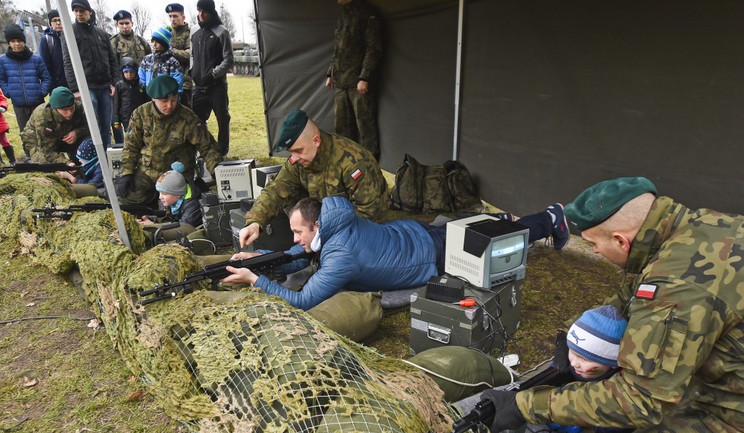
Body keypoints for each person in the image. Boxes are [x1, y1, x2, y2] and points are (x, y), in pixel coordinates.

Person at [483, 177, 744, 433]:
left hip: (729, 422)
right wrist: (574, 334)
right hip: (721, 388)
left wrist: (526, 405)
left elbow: (643, 400)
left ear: (621, 240)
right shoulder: (701, 227)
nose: (593, 252)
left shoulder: (678, 285)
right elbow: (631, 297)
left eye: (593, 244)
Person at [226, 195, 570, 311]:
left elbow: (302, 301)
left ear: (317, 226)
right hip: (412, 233)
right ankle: (503, 218)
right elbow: (301, 253)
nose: (295, 238)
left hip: (429, 256)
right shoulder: (335, 217)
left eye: (299, 231)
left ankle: (550, 219)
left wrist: (256, 280)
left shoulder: (341, 256)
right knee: (472, 227)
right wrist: (259, 259)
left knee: (492, 241)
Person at [238, 109, 389, 248]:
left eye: (298, 151)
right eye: (291, 152)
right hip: (324, 234)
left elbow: (370, 213)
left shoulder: (353, 162)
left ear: (316, 140)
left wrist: (325, 236)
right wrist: (255, 222)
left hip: (369, 237)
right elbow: (277, 190)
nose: (295, 158)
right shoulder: (299, 161)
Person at [118, 75, 222, 207]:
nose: (170, 105)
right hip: (147, 172)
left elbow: (208, 147)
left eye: (174, 99)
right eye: (164, 101)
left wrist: (217, 172)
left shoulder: (188, 118)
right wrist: (126, 172)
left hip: (177, 175)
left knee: (180, 209)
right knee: (127, 200)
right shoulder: (141, 114)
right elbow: (131, 146)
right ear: (153, 99)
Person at [325, 0, 383, 160]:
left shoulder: (367, 14)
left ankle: (370, 166)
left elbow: (373, 48)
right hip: (341, 82)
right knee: (342, 128)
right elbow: (339, 49)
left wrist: (365, 76)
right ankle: (346, 164)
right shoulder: (344, 15)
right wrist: (330, 73)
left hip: (358, 83)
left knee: (365, 128)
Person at [62, 0, 120, 149]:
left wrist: (114, 83)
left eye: (82, 10)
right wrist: (75, 89)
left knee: (106, 126)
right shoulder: (70, 32)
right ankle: (93, 157)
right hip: (87, 88)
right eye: (76, 11)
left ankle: (105, 156)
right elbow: (68, 62)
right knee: (92, 127)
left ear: (89, 12)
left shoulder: (102, 34)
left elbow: (112, 60)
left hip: (105, 87)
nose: (79, 14)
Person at [190, 0, 233, 157]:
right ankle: (203, 149)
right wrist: (192, 71)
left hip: (216, 86)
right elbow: (192, 55)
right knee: (195, 121)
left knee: (222, 119)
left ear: (212, 12)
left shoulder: (222, 32)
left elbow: (228, 60)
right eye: (199, 10)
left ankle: (222, 152)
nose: (201, 14)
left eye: (205, 11)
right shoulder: (194, 31)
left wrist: (213, 74)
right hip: (198, 87)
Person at [0, 23, 51, 134]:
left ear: (24, 41)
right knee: (25, 133)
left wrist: (41, 93)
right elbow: (2, 79)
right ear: (9, 43)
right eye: (13, 41)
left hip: (37, 103)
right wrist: (8, 92)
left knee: (42, 131)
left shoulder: (36, 59)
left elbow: (46, 77)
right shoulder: (3, 60)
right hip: (19, 105)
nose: (17, 44)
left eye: (19, 41)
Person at [137, 162, 202, 244]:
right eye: (159, 192)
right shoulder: (169, 200)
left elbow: (185, 228)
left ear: (177, 194)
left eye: (164, 193)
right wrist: (150, 219)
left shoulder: (192, 206)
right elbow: (167, 217)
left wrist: (153, 225)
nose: (160, 197)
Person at [21, 87, 89, 164]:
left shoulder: (79, 107)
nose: (69, 113)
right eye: (65, 110)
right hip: (38, 141)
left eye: (71, 108)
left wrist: (77, 132)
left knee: (86, 151)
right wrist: (66, 162)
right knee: (45, 163)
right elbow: (47, 151)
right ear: (55, 108)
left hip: (64, 137)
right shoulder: (43, 118)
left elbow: (90, 127)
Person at [112, 57, 147, 144]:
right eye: (126, 72)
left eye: (131, 72)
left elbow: (146, 102)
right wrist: (116, 120)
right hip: (126, 117)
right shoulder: (119, 85)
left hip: (140, 116)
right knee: (130, 136)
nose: (129, 74)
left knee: (142, 135)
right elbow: (116, 104)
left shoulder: (141, 85)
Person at [138, 27, 183, 92]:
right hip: (148, 93)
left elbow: (177, 82)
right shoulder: (147, 59)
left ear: (164, 44)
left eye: (157, 42)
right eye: (153, 41)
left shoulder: (172, 62)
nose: (154, 44)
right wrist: (143, 89)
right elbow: (141, 76)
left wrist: (172, 95)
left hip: (164, 95)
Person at [165, 3, 193, 107]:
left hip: (185, 82)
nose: (172, 19)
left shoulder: (190, 33)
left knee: (187, 111)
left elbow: (188, 55)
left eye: (175, 16)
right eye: (170, 16)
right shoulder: (168, 34)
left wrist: (170, 50)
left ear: (183, 17)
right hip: (168, 81)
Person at [110, 9, 150, 77]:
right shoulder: (113, 42)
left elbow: (150, 61)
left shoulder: (142, 41)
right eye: (121, 23)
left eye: (127, 23)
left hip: (140, 79)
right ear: (117, 25)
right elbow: (111, 65)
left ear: (132, 23)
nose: (125, 26)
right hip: (122, 79)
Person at [39, 10, 68, 94]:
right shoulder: (47, 40)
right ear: (50, 23)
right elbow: (45, 66)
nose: (58, 23)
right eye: (55, 20)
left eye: (60, 20)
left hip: (74, 83)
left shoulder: (70, 37)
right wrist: (52, 87)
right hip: (57, 87)